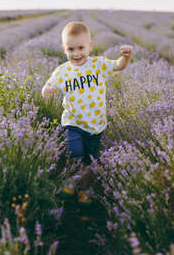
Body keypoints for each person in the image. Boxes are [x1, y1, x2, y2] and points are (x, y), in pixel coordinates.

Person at [41, 21, 133, 207]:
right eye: (71, 49)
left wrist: (126, 57)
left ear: (90, 46)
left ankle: (84, 189)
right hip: (73, 123)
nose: (76, 54)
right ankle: (69, 182)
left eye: (81, 48)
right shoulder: (63, 71)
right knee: (73, 153)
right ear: (64, 49)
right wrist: (46, 90)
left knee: (89, 162)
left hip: (96, 125)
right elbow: (49, 84)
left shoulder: (98, 64)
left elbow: (118, 66)